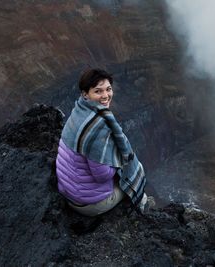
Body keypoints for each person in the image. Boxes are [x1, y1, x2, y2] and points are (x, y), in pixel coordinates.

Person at [56, 68, 147, 216]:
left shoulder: (78, 112)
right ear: (85, 94)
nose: (105, 95)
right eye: (98, 91)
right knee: (135, 176)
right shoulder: (98, 129)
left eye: (108, 89)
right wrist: (118, 161)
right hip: (88, 204)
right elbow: (102, 175)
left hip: (68, 191)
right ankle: (142, 209)